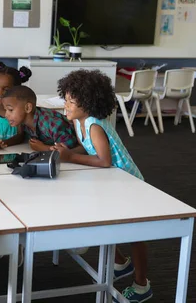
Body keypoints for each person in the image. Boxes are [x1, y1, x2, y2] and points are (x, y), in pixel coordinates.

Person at [52, 69, 152, 303]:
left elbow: (104, 160)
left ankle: (142, 285)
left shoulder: (95, 125)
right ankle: (120, 263)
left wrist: (69, 157)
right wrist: (62, 153)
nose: (66, 105)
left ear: (88, 104)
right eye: (65, 99)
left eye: (71, 102)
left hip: (129, 184)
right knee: (108, 220)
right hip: (112, 183)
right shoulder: (79, 121)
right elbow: (88, 150)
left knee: (136, 235)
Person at [1, 85, 76, 151]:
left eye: (10, 110)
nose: (6, 115)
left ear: (27, 108)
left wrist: (44, 148)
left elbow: (68, 146)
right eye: (5, 110)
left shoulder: (49, 122)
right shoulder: (24, 122)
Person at [0, 61, 32, 149]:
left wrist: (4, 143)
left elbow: (20, 136)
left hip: (13, 151)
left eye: (6, 90)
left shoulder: (19, 110)